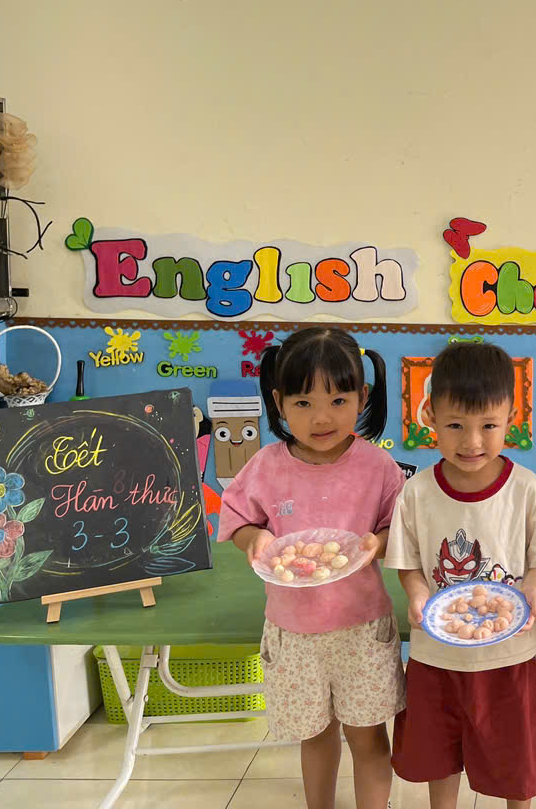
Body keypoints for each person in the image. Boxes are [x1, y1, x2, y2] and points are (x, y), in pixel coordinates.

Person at [218, 327, 405, 809]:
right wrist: (253, 538)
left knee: (368, 737)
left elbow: (400, 528)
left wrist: (379, 542)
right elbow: (236, 518)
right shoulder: (266, 466)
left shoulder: (378, 467)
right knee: (315, 736)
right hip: (293, 632)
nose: (322, 418)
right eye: (303, 403)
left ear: (362, 397)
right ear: (278, 402)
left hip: (362, 629)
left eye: (338, 400)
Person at [386, 341, 536, 809]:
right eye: (455, 426)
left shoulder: (526, 488)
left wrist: (534, 589)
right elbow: (408, 562)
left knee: (517, 763)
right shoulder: (417, 493)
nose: (471, 442)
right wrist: (417, 594)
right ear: (430, 417)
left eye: (488, 426)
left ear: (511, 418)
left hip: (511, 657)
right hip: (437, 656)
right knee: (438, 758)